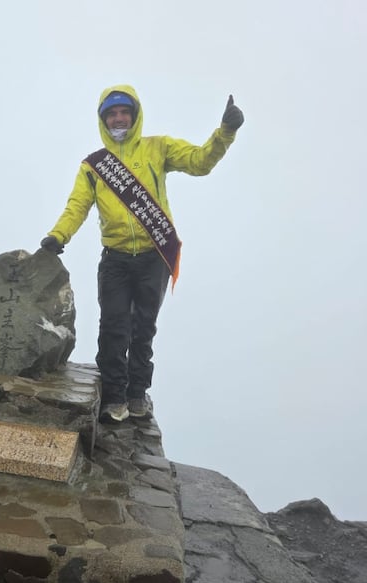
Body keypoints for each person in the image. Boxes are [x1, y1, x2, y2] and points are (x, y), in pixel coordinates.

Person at [40, 84, 243, 424]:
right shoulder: (93, 166)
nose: (119, 118)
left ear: (135, 116)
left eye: (124, 112)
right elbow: (77, 206)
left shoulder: (158, 148)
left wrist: (225, 132)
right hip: (115, 258)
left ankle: (137, 394)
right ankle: (114, 396)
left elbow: (199, 162)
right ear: (103, 120)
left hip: (154, 255)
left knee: (143, 327)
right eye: (112, 114)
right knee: (114, 327)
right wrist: (58, 236)